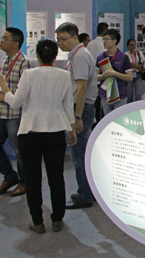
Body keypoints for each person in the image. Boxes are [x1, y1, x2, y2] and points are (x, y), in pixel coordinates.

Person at [0, 38, 76, 234]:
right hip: (56, 132)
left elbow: (15, 102)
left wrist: (4, 86)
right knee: (56, 177)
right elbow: (68, 105)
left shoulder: (29, 74)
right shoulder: (64, 75)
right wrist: (71, 129)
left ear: (37, 55)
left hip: (30, 133)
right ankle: (57, 219)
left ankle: (37, 222)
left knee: (32, 179)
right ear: (55, 55)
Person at [0, 28, 33, 196]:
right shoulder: (4, 60)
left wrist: (4, 96)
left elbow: (25, 92)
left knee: (20, 151)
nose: (1, 41)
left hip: (16, 114)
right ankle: (9, 176)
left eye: (5, 38)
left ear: (15, 43)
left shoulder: (25, 63)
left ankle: (24, 182)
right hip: (0, 113)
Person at [55, 22, 98, 210]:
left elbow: (81, 88)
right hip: (80, 108)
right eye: (58, 40)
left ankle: (85, 196)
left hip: (80, 109)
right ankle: (87, 191)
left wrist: (77, 117)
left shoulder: (79, 56)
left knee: (79, 154)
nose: (60, 43)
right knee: (81, 152)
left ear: (75, 37)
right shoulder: (77, 54)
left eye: (63, 39)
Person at [96, 29, 132, 115]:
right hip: (105, 94)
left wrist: (114, 73)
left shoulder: (123, 57)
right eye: (103, 39)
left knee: (119, 118)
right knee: (107, 118)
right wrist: (104, 75)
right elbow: (96, 76)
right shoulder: (101, 57)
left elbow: (129, 77)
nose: (104, 41)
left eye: (106, 39)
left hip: (120, 94)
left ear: (114, 41)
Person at [87, 22, 107, 123]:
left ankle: (94, 124)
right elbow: (105, 61)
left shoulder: (90, 44)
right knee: (103, 104)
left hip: (92, 76)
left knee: (94, 103)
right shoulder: (104, 44)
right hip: (103, 76)